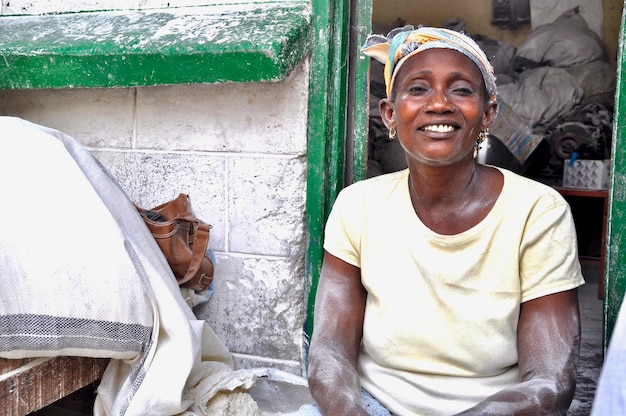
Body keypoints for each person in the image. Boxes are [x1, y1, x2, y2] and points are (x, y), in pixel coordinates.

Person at [303, 26, 585, 415]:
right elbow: (329, 352)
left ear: (488, 113)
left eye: (461, 89)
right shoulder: (358, 206)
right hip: (371, 405)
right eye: (418, 88)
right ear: (389, 113)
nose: (439, 104)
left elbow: (550, 383)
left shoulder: (538, 212)